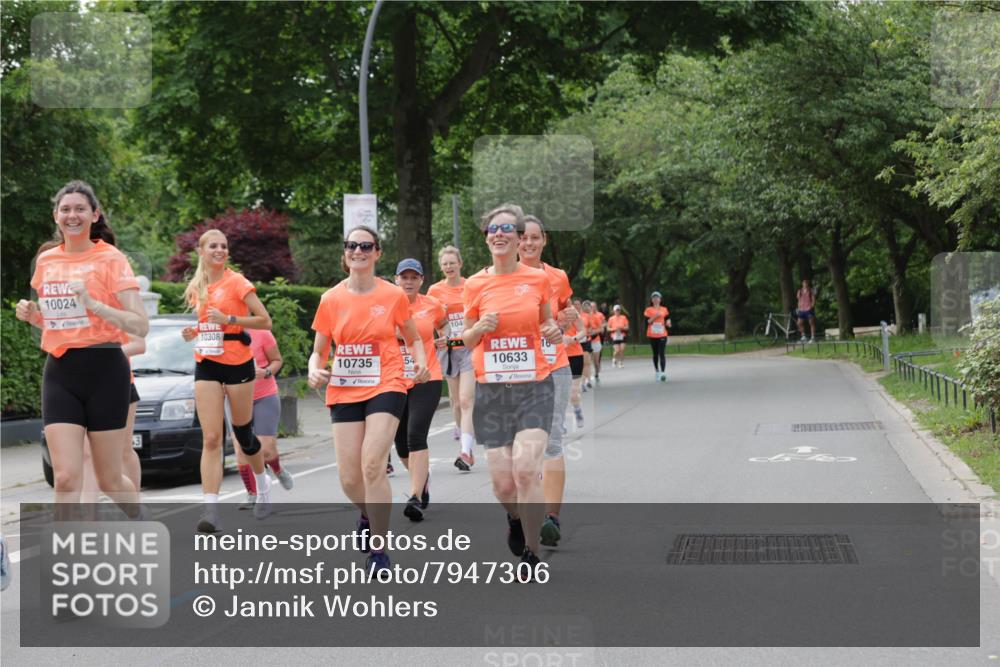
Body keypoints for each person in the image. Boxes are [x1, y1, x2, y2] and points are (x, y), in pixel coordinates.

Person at [15, 180, 148, 515]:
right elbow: (60, 322)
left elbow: (139, 324)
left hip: (105, 370)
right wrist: (34, 316)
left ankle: (140, 522)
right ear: (56, 216)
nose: (72, 215)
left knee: (109, 480)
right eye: (65, 209)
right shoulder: (47, 261)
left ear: (94, 214)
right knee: (65, 478)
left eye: (79, 209)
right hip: (60, 371)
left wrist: (95, 304)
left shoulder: (111, 258)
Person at [308, 226, 429, 573]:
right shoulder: (330, 299)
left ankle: (379, 549)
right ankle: (367, 513)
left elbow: (413, 337)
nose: (358, 251)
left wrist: (419, 361)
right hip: (345, 387)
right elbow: (318, 352)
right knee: (349, 478)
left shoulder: (392, 296)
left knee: (372, 463)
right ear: (345, 253)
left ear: (377, 253)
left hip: (386, 382)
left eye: (365, 246)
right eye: (351, 246)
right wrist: (315, 370)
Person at [462, 204, 562, 577]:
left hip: (534, 386)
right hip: (493, 391)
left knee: (525, 470)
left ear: (519, 238)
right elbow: (466, 340)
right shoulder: (475, 284)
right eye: (493, 229)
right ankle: (517, 520)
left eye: (507, 229)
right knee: (504, 486)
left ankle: (532, 554)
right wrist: (480, 329)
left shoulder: (537, 280)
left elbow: (548, 325)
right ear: (487, 237)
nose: (499, 234)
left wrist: (554, 332)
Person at [180, 229, 273, 532]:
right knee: (211, 438)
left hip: (237, 362)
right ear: (201, 252)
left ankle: (263, 485)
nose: (219, 250)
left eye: (223, 246)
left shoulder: (238, 282)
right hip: (206, 363)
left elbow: (264, 320)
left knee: (244, 435)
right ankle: (211, 512)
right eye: (213, 246)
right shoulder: (198, 286)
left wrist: (231, 320)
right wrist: (194, 332)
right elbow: (206, 323)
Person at [519, 215, 578, 548]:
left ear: (544, 241)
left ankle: (551, 518)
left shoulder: (557, 276)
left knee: (552, 439)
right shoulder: (500, 279)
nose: (528, 243)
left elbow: (566, 312)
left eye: (535, 238)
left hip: (553, 366)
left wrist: (567, 321)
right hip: (514, 372)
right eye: (523, 238)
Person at [393, 259, 447, 522]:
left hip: (428, 377)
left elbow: (444, 325)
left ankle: (414, 495)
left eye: (414, 277)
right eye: (405, 277)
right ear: (396, 279)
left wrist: (444, 338)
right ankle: (421, 479)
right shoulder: (386, 306)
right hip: (394, 380)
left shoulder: (432, 306)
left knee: (416, 434)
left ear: (422, 281)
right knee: (401, 444)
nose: (409, 281)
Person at [427, 246, 477, 472]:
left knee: (467, 400)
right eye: (445, 264)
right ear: (441, 267)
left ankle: (466, 451)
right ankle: (462, 431)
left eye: (452, 263)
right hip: (448, 351)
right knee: (456, 402)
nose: (449, 267)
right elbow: (427, 320)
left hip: (468, 349)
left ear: (460, 264)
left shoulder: (471, 286)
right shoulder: (434, 291)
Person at [80, 334, 145, 506]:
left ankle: (133, 507)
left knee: (124, 450)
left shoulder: (119, 309)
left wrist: (104, 356)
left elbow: (138, 345)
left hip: (117, 384)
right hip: (82, 385)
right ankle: (89, 515)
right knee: (87, 456)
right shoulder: (76, 312)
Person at [235, 328, 294, 510]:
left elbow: (277, 360)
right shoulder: (222, 333)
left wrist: (266, 371)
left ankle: (277, 469)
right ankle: (252, 493)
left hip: (264, 395)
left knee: (266, 449)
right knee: (241, 448)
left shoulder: (261, 333)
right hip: (235, 398)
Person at [644, 291, 671, 382]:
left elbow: (667, 319)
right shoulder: (648, 310)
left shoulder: (664, 309)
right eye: (654, 298)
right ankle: (657, 371)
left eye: (657, 297)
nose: (656, 299)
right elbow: (647, 322)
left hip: (662, 334)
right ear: (651, 300)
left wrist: (668, 323)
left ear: (660, 299)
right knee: (655, 354)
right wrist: (656, 316)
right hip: (652, 334)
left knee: (662, 353)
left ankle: (663, 373)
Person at [587, 301, 606, 385]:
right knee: (588, 360)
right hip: (587, 340)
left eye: (593, 306)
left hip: (597, 339)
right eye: (591, 306)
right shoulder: (585, 316)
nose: (592, 308)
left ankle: (597, 373)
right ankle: (589, 377)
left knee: (596, 361)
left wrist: (593, 332)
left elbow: (602, 328)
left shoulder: (598, 316)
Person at [578, 301, 593, 390]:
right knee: (580, 363)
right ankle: (584, 380)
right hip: (576, 342)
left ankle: (584, 382)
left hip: (586, 341)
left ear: (581, 306)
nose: (577, 306)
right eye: (575, 304)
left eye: (578, 304)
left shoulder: (586, 316)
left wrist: (586, 333)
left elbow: (591, 328)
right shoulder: (571, 317)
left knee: (586, 362)